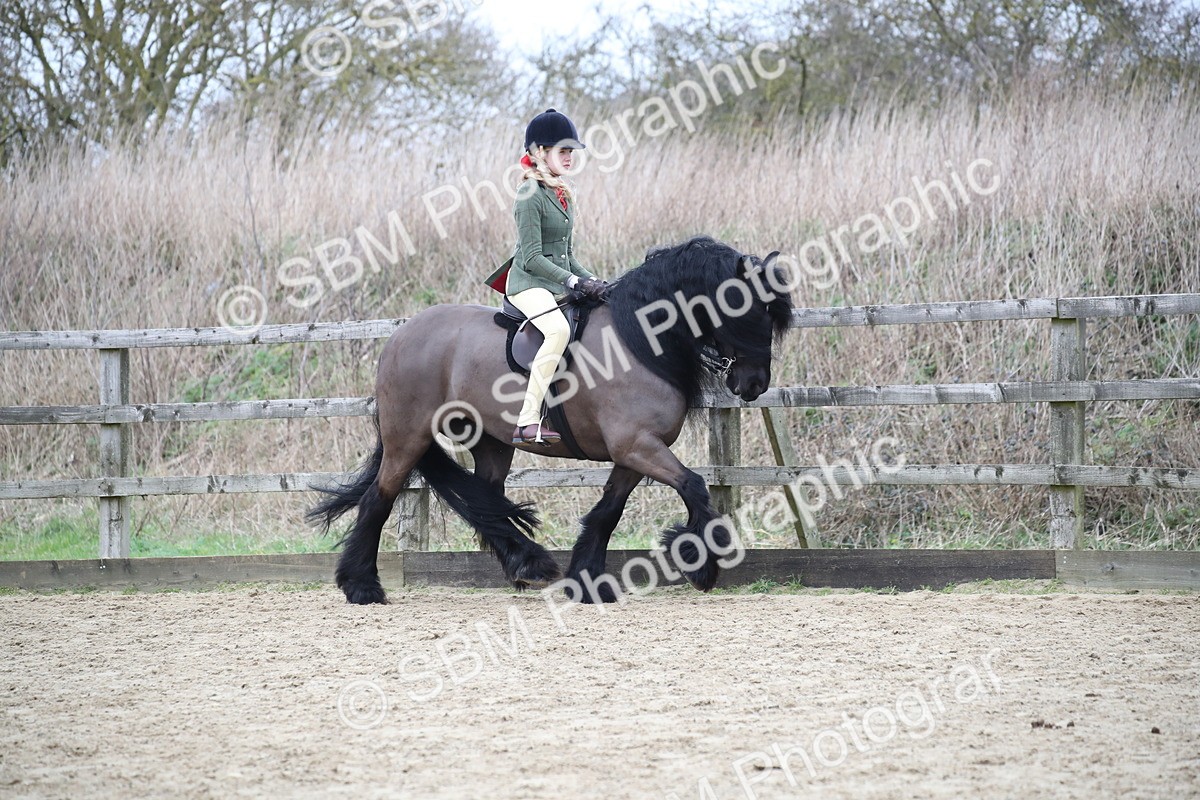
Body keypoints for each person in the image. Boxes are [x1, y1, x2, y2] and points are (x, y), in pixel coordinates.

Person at [504, 108, 608, 446]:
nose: (569, 157)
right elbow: (532, 258)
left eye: (571, 151)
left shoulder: (561, 192)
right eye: (563, 151)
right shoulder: (529, 195)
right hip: (527, 283)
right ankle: (527, 420)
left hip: (553, 281)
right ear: (539, 153)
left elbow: (567, 255)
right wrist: (573, 283)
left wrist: (595, 281)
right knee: (558, 330)